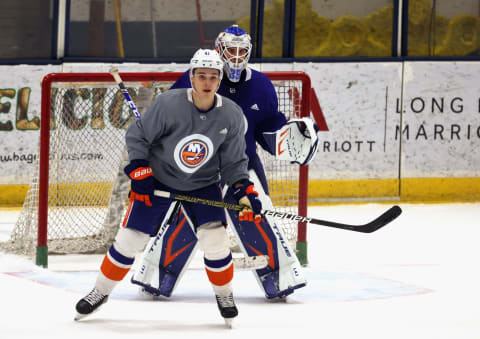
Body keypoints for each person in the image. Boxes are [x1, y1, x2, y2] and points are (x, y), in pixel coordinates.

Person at [74, 48, 262, 327]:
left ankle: (224, 296)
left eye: (213, 77)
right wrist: (140, 170)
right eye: (201, 76)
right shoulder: (168, 104)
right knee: (130, 239)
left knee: (216, 241)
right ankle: (99, 292)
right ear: (191, 77)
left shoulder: (231, 115)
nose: (207, 82)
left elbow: (234, 162)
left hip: (203, 184)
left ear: (219, 80)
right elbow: (138, 136)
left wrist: (243, 190)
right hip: (159, 180)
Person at [132, 25, 319, 300]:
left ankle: (279, 277)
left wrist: (288, 139)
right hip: (197, 167)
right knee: (183, 217)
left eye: (241, 51)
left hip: (240, 165)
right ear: (218, 50)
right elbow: (172, 121)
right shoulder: (192, 78)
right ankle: (157, 274)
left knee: (256, 212)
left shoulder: (261, 86)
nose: (235, 56)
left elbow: (267, 130)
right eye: (230, 50)